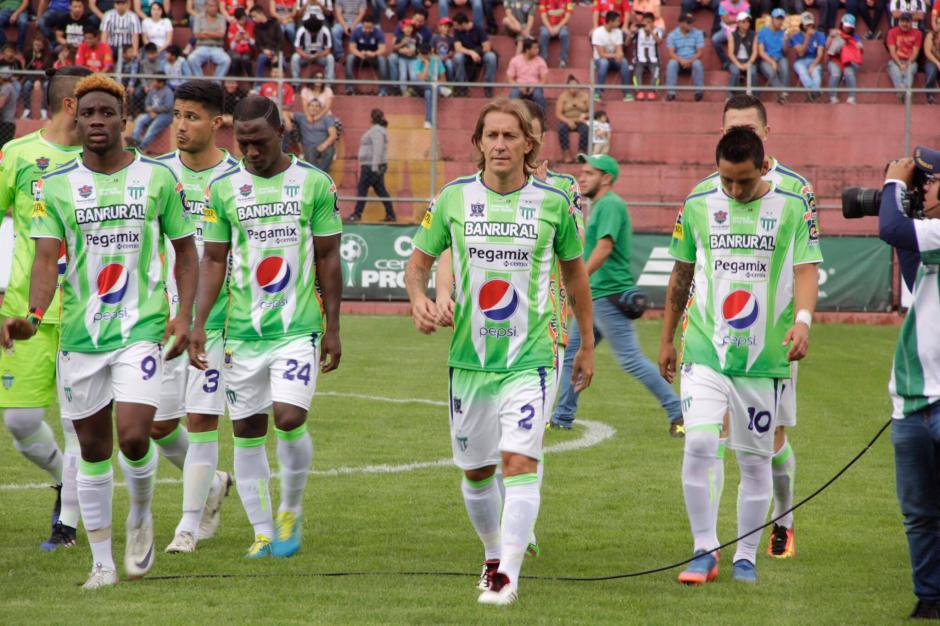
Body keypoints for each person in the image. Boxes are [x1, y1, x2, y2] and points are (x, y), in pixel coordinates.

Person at [2, 72, 198, 589]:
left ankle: (140, 516)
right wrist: (33, 316)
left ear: (123, 119)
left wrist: (183, 316)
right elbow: (46, 259)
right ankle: (103, 565)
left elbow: (186, 252)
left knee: (133, 436)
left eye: (107, 113)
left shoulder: (157, 178)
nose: (96, 121)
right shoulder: (56, 185)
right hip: (80, 337)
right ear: (76, 116)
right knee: (91, 451)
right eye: (88, 112)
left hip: (141, 329)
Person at [405, 97, 595, 606]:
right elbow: (419, 263)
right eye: (491, 135)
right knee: (476, 471)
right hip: (469, 359)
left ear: (528, 144)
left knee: (519, 461)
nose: (500, 144)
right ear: (478, 142)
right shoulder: (453, 198)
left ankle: (506, 576)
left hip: (532, 356)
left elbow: (576, 278)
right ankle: (493, 554)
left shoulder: (554, 202)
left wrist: (586, 343)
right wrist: (421, 299)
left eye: (510, 136)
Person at [660, 127, 821, 585]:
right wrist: (667, 338)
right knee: (699, 444)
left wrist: (803, 321)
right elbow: (682, 273)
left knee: (754, 460)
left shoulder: (791, 208)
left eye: (744, 181)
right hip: (704, 349)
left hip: (763, 358)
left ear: (764, 167)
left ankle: (745, 556)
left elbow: (806, 269)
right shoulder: (697, 204)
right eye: (726, 179)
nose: (733, 190)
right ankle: (704, 550)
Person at [194, 93, 342, 559]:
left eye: (260, 142)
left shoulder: (314, 184)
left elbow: (328, 257)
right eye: (243, 144)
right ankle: (261, 532)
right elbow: (213, 260)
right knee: (247, 429)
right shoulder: (222, 189)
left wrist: (334, 327)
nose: (252, 152)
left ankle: (289, 509)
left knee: (289, 417)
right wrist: (199, 322)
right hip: (241, 332)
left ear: (282, 132)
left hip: (298, 327)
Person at [0, 66, 92, 553]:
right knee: (20, 422)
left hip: (86, 312)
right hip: (25, 312)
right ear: (71, 104)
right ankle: (63, 480)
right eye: (91, 102)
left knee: (78, 422)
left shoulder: (103, 158)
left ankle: (68, 522)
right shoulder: (17, 155)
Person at [153, 81, 238, 553]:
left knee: (203, 418)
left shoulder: (237, 179)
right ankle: (213, 483)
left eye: (192, 116)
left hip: (218, 321)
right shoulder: (158, 174)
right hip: (164, 318)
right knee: (158, 426)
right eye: (177, 115)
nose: (180, 126)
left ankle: (187, 526)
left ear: (216, 122)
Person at [549, 154, 683, 433]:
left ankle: (678, 412)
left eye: (589, 173)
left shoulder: (610, 204)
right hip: (597, 294)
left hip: (608, 294)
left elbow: (604, 248)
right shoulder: (601, 205)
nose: (582, 177)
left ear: (606, 178)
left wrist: (578, 278)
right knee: (573, 354)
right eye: (582, 172)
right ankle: (562, 418)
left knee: (630, 359)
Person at [877, 154, 940, 621]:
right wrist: (907, 201)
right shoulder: (932, 240)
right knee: (918, 513)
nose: (924, 189)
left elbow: (892, 229)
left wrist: (893, 185)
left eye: (930, 182)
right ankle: (929, 598)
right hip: (913, 399)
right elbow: (912, 262)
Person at [349, 108, 394, 222]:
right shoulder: (377, 130)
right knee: (381, 191)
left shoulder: (376, 131)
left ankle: (357, 214)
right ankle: (391, 214)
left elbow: (378, 149)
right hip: (372, 165)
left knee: (362, 189)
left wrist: (374, 167)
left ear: (371, 118)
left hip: (370, 166)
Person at [284, 97, 337, 171]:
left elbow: (333, 135)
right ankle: (320, 174)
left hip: (324, 145)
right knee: (310, 157)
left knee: (330, 152)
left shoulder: (326, 118)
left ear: (320, 109)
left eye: (317, 106)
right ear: (308, 107)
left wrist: (324, 145)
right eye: (312, 106)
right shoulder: (302, 117)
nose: (314, 108)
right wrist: (288, 121)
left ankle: (319, 174)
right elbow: (284, 112)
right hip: (309, 147)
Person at [452, 12, 498, 98]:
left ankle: (488, 87)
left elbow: (487, 47)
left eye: (456, 25)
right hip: (466, 54)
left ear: (463, 24)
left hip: (480, 54)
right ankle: (462, 87)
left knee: (491, 57)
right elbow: (458, 48)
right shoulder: (457, 31)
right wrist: (471, 53)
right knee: (457, 57)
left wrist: (477, 53)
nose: (455, 27)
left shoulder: (478, 28)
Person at [592, 11, 633, 101]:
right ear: (610, 21)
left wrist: (620, 54)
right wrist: (616, 55)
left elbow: (619, 50)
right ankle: (598, 93)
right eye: (617, 21)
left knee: (624, 62)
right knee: (604, 63)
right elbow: (602, 54)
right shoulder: (598, 32)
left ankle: (627, 93)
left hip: (613, 59)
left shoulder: (618, 32)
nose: (620, 23)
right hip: (600, 59)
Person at [665, 12, 705, 101]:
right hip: (679, 60)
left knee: (697, 64)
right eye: (688, 22)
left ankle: (698, 92)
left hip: (692, 59)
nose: (691, 24)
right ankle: (671, 93)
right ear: (681, 23)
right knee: (672, 63)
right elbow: (671, 53)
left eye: (691, 22)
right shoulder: (672, 35)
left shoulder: (698, 33)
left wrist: (689, 61)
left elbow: (700, 52)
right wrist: (681, 60)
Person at [345, 16, 390, 96]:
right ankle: (349, 88)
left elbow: (382, 49)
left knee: (382, 59)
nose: (368, 30)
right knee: (349, 58)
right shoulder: (356, 31)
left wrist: (374, 53)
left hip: (373, 57)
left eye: (370, 28)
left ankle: (383, 89)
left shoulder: (379, 32)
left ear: (374, 26)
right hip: (359, 57)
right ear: (362, 25)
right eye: (365, 28)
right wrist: (359, 53)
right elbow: (352, 48)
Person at [130, 72, 174, 151]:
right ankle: (134, 142)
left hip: (165, 115)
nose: (152, 82)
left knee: (152, 127)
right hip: (151, 113)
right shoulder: (152, 90)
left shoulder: (168, 92)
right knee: (140, 119)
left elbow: (168, 107)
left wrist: (153, 110)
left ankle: (140, 147)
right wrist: (151, 112)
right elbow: (147, 103)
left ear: (161, 83)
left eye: (154, 81)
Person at [189, 0, 232, 78]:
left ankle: (216, 82)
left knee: (226, 60)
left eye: (215, 6)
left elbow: (221, 35)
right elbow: (197, 35)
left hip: (217, 47)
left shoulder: (221, 18)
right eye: (211, 6)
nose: (214, 8)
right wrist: (215, 33)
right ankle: (201, 81)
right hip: (202, 47)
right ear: (206, 7)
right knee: (191, 59)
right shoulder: (199, 17)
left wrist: (205, 32)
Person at [826, 13, 863, 104]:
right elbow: (827, 48)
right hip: (835, 60)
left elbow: (860, 50)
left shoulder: (855, 37)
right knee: (835, 74)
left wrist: (860, 46)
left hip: (849, 61)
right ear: (842, 24)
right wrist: (831, 37)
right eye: (846, 26)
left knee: (849, 73)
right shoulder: (835, 33)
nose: (847, 28)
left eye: (850, 27)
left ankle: (851, 97)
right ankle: (832, 97)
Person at [788, 11, 825, 101]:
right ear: (802, 25)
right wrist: (807, 37)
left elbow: (820, 54)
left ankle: (812, 94)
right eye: (806, 25)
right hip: (801, 60)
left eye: (810, 24)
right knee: (801, 70)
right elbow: (801, 52)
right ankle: (814, 91)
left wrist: (813, 65)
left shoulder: (820, 35)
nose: (809, 27)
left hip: (814, 59)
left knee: (816, 72)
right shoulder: (796, 36)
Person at [886, 12, 923, 101]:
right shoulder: (892, 32)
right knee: (896, 71)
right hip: (896, 60)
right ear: (899, 22)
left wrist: (907, 64)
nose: (904, 24)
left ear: (911, 22)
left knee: (909, 71)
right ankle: (905, 92)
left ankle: (902, 91)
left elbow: (915, 53)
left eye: (907, 21)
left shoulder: (918, 33)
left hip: (910, 61)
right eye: (902, 21)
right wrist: (900, 64)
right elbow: (892, 52)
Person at [411, 41, 448, 128]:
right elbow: (421, 79)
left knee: (428, 93)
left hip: (433, 88)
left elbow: (444, 81)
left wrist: (436, 84)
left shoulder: (437, 61)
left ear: (430, 53)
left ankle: (428, 121)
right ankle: (440, 90)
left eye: (426, 55)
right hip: (421, 88)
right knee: (414, 80)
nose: (423, 57)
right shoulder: (417, 62)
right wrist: (427, 65)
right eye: (422, 55)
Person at [757, 8, 789, 104]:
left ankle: (783, 95)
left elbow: (785, 52)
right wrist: (772, 62)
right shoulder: (763, 32)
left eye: (781, 19)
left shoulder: (783, 33)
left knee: (785, 66)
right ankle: (783, 93)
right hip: (766, 59)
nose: (779, 21)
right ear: (772, 19)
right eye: (777, 18)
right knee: (771, 72)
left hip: (779, 57)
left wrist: (785, 42)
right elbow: (761, 52)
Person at [507, 38, 548, 112]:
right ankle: (513, 116)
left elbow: (544, 79)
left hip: (535, 86)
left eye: (538, 48)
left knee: (538, 95)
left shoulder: (540, 61)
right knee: (514, 95)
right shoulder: (515, 60)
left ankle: (541, 117)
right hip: (519, 86)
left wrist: (535, 86)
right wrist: (519, 86)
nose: (538, 50)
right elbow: (510, 78)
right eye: (535, 48)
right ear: (527, 50)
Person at [555, 74, 589, 162]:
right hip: (567, 120)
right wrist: (568, 121)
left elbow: (591, 111)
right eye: (571, 86)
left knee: (585, 129)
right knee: (561, 128)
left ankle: (581, 154)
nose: (573, 88)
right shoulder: (563, 96)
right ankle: (566, 155)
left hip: (581, 121)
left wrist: (585, 115)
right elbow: (558, 114)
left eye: (575, 86)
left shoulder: (585, 96)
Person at [292, 16, 336, 84]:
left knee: (330, 58)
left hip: (320, 57)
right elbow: (298, 49)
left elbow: (328, 49)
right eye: (310, 32)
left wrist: (319, 55)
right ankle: (296, 83)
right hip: (305, 56)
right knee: (295, 57)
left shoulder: (325, 31)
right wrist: (305, 55)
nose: (312, 34)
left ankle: (329, 83)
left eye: (314, 32)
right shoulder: (301, 31)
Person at [252, 5, 287, 83]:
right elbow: (257, 44)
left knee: (283, 63)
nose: (253, 19)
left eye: (254, 16)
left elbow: (281, 41)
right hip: (265, 52)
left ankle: (283, 84)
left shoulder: (274, 24)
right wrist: (264, 50)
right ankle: (258, 84)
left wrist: (276, 54)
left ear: (261, 13)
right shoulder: (257, 28)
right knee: (261, 58)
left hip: (276, 50)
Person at [712, 0, 750, 70]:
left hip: (740, 29)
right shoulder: (723, 4)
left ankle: (740, 64)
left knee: (744, 38)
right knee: (715, 39)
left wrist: (732, 19)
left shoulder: (745, 6)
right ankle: (726, 62)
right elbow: (726, 21)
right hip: (726, 28)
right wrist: (739, 19)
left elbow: (745, 22)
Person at [20, 38, 52, 120]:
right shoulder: (29, 54)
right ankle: (27, 110)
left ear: (43, 46)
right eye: (35, 45)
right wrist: (35, 80)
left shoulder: (48, 55)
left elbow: (47, 70)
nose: (37, 47)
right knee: (27, 85)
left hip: (44, 78)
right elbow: (26, 69)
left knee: (47, 86)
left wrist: (38, 80)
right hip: (31, 77)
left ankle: (44, 111)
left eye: (39, 45)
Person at [632, 11, 662, 100]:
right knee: (637, 72)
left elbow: (659, 42)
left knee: (656, 72)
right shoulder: (638, 31)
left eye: (649, 22)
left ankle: (652, 91)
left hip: (654, 60)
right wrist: (630, 33)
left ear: (653, 22)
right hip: (639, 60)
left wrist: (651, 32)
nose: (647, 24)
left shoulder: (657, 31)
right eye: (645, 22)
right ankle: (639, 91)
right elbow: (627, 43)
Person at [727, 12, 758, 96]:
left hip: (749, 60)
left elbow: (755, 52)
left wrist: (748, 63)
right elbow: (730, 54)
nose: (747, 23)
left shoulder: (753, 35)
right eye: (744, 21)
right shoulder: (732, 35)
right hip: (736, 60)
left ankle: (755, 96)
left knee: (753, 72)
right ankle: (730, 95)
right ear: (738, 23)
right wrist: (738, 64)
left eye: (748, 21)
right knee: (735, 72)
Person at [538, 0, 572, 67]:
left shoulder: (568, 1)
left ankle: (563, 60)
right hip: (547, 25)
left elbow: (567, 16)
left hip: (561, 26)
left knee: (564, 34)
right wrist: (550, 28)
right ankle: (543, 59)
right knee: (544, 34)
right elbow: (543, 16)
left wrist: (558, 27)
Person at [390, 18, 419, 95]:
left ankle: (415, 90)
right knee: (403, 75)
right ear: (402, 29)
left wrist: (414, 51)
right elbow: (394, 48)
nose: (408, 29)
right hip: (402, 59)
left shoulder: (416, 37)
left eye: (410, 27)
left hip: (413, 59)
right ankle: (404, 91)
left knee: (413, 76)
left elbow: (418, 48)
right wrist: (402, 44)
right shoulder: (399, 37)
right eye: (406, 27)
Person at [226, 7, 256, 76]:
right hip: (236, 50)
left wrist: (249, 39)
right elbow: (231, 47)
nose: (243, 21)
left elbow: (255, 44)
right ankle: (235, 78)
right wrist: (235, 39)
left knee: (246, 58)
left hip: (248, 49)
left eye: (244, 19)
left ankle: (251, 78)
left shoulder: (251, 25)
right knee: (236, 58)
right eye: (241, 20)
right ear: (236, 19)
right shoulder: (232, 27)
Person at [925, 28, 939, 104]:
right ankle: (929, 96)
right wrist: (937, 63)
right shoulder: (930, 35)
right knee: (931, 71)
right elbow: (927, 52)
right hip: (932, 61)